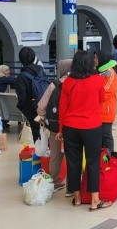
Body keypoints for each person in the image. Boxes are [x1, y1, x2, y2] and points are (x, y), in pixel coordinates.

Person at [56, 50, 111, 211]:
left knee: (73, 163)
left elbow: (62, 108)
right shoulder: (97, 80)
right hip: (91, 127)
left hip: (70, 127)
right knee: (93, 162)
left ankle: (77, 198)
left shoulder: (67, 82)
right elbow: (101, 99)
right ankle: (95, 201)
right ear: (89, 63)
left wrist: (60, 129)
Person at [37, 59, 72, 193]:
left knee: (56, 155)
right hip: (73, 126)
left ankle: (54, 182)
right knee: (72, 157)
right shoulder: (77, 82)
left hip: (55, 126)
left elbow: (41, 107)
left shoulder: (54, 84)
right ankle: (72, 187)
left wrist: (44, 117)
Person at [16, 47, 45, 143]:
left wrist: (24, 109)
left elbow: (22, 98)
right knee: (47, 133)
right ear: (33, 58)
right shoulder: (41, 71)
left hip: (32, 109)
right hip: (45, 106)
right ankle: (50, 155)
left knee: (37, 136)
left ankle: (41, 155)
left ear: (21, 60)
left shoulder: (22, 77)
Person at [96, 50, 117, 151]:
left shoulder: (110, 73)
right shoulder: (99, 71)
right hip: (97, 110)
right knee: (99, 138)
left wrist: (91, 98)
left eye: (96, 58)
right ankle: (102, 161)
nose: (94, 60)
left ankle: (110, 159)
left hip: (106, 111)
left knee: (106, 136)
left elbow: (106, 91)